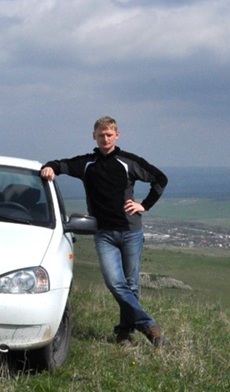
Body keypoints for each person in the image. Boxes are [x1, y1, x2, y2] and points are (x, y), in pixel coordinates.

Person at [40, 116, 168, 348]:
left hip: (130, 231)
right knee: (115, 283)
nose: (105, 139)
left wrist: (144, 205)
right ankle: (148, 325)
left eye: (109, 135)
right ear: (94, 136)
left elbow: (160, 179)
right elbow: (61, 165)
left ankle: (124, 335)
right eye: (101, 135)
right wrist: (49, 167)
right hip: (104, 234)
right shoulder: (87, 163)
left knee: (131, 285)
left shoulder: (128, 162)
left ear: (117, 135)